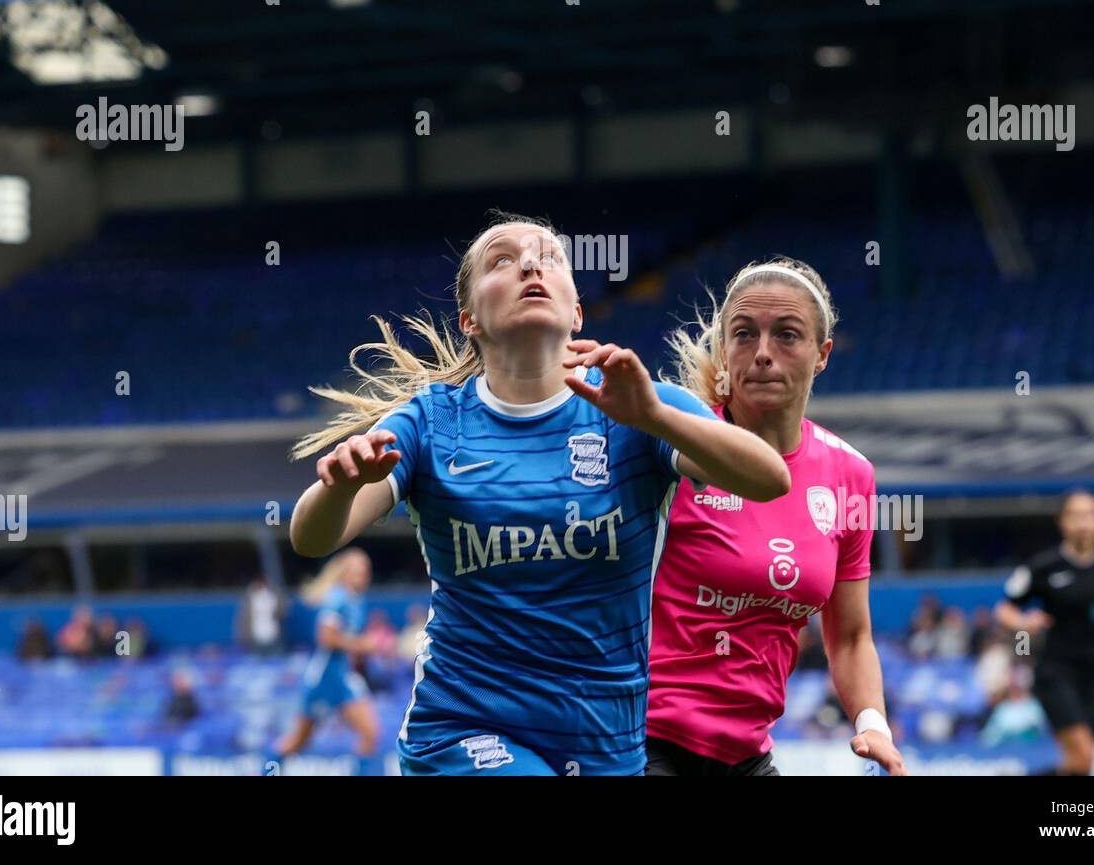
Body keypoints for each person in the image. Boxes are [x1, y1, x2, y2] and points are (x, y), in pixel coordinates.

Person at [288, 214, 790, 776]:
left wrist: (652, 416)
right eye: (502, 260)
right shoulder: (432, 423)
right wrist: (339, 487)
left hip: (604, 739)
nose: (530, 264)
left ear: (576, 312)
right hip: (464, 725)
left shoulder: (635, 402)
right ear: (470, 320)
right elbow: (311, 537)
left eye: (549, 257)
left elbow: (768, 478)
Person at [645, 258, 906, 776]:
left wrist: (872, 723)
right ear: (724, 351)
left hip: (748, 754)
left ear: (822, 354)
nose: (763, 354)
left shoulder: (850, 475)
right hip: (640, 740)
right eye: (744, 335)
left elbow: (850, 635)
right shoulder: (667, 451)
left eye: (787, 335)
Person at [995, 489, 1094, 776]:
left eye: (1091, 515)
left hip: (1088, 675)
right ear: (1062, 522)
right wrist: (1023, 622)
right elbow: (1004, 609)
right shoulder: (1043, 567)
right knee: (1082, 755)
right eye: (1076, 515)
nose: (1084, 523)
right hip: (1054, 671)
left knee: (1083, 765)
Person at [267, 549, 380, 768]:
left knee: (368, 734)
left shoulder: (356, 601)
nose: (363, 575)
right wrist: (362, 644)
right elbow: (326, 637)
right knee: (299, 742)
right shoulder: (338, 598)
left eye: (366, 570)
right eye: (358, 570)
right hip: (326, 676)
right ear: (344, 572)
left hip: (340, 675)